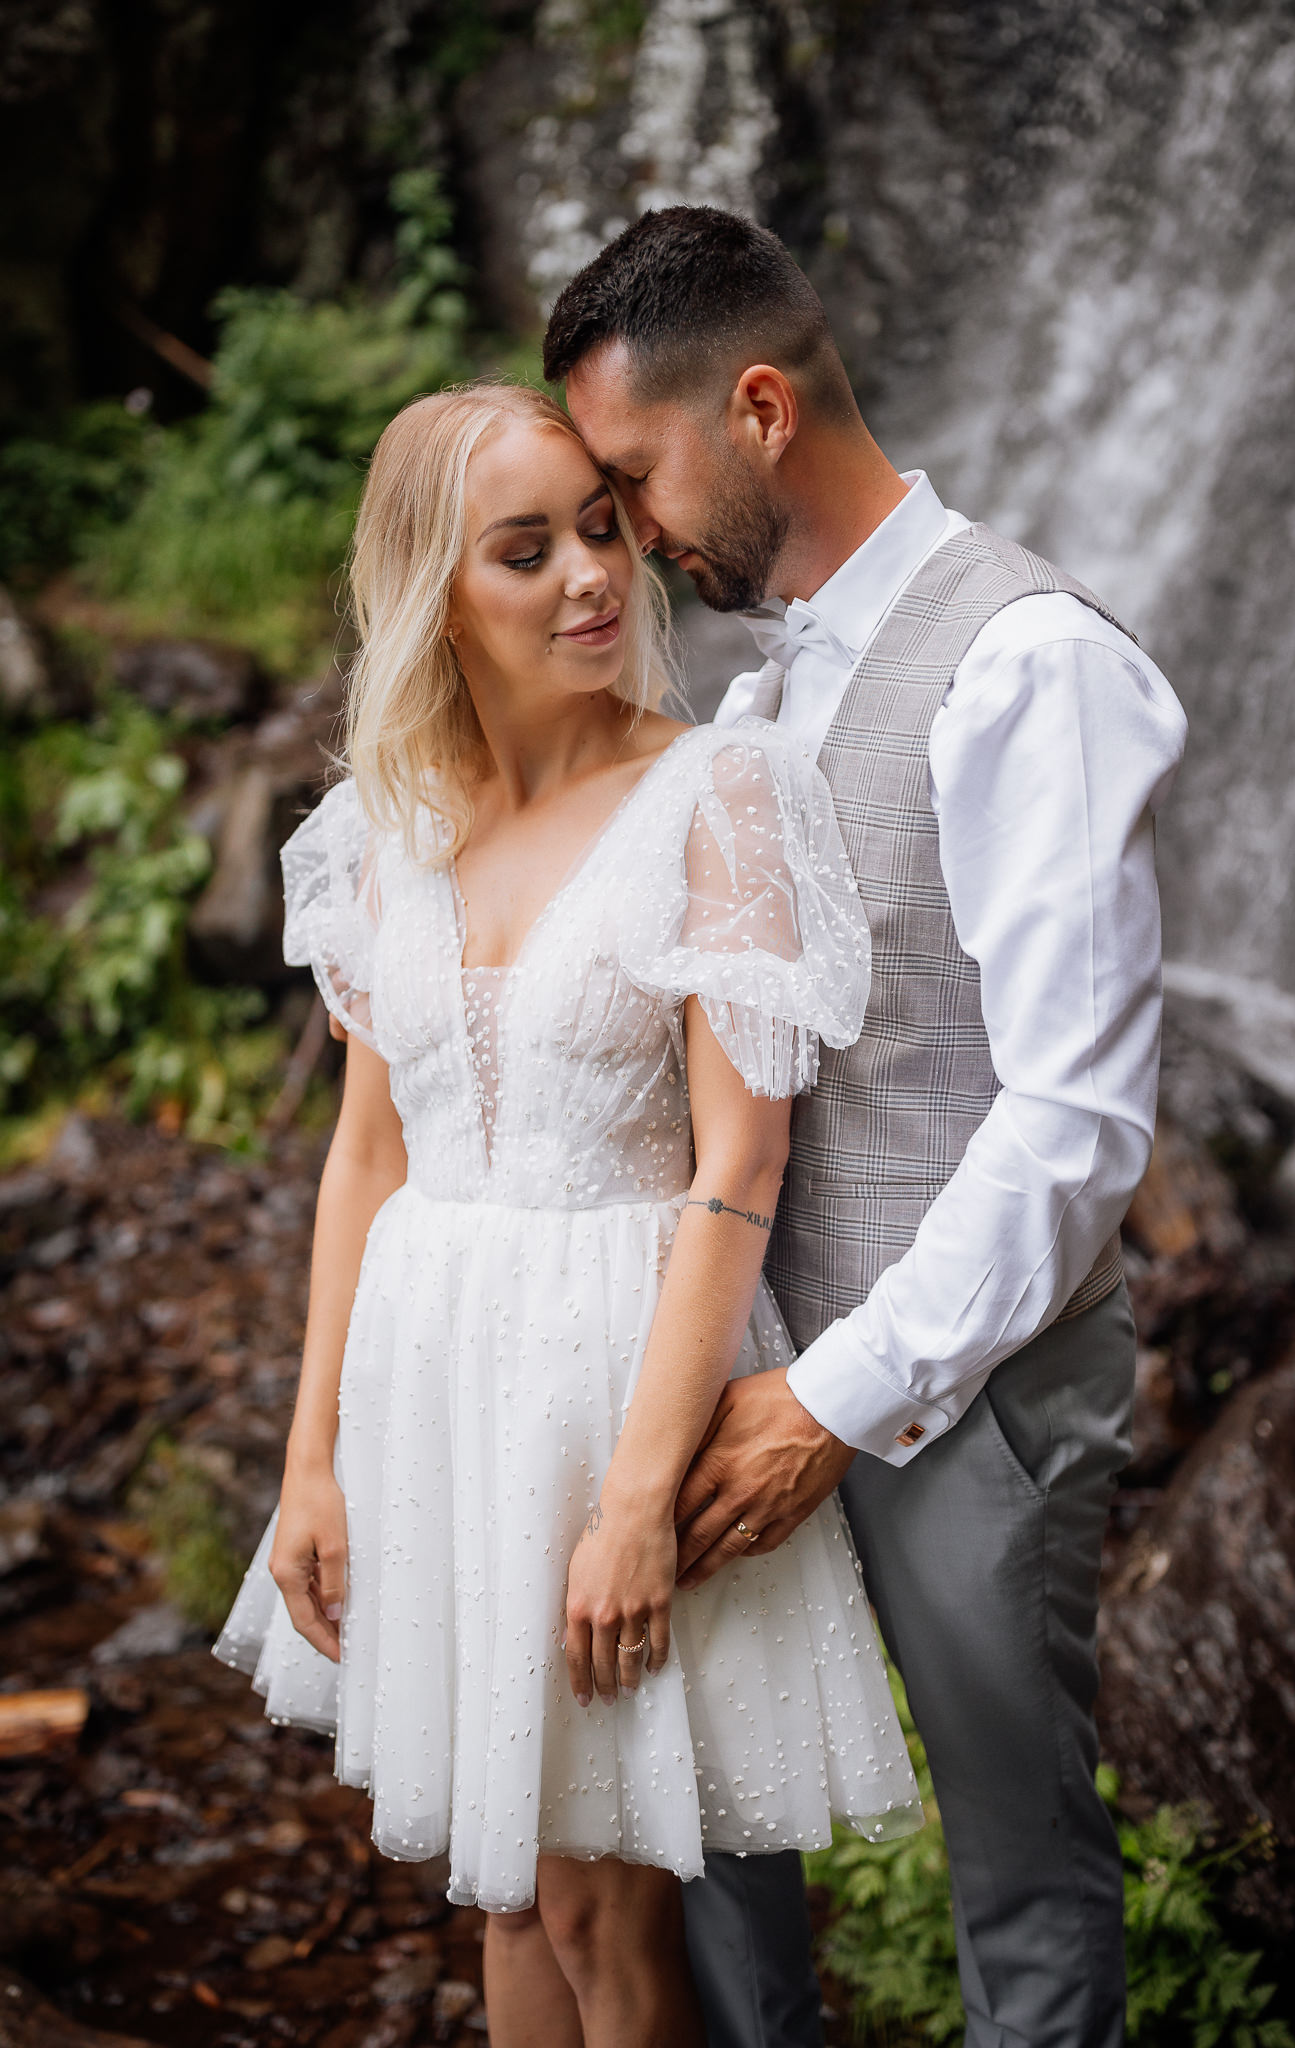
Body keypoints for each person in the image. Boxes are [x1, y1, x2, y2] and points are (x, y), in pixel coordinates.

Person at [544, 207, 1188, 2048]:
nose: (627, 535)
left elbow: (1073, 1122)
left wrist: (829, 1401)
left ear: (756, 409)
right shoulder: (766, 682)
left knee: (1018, 1865)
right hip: (743, 1357)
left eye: (633, 478)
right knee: (713, 1827)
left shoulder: (1030, 662)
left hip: (967, 1395)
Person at [213, 380, 921, 2048]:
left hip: (610, 1387)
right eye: (524, 551)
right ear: (434, 594)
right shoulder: (382, 830)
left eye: (600, 530)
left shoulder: (714, 796)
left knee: (606, 1908)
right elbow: (366, 1159)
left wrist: (633, 1503)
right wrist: (311, 1462)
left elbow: (737, 1170)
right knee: (512, 1891)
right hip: (430, 1392)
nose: (592, 575)